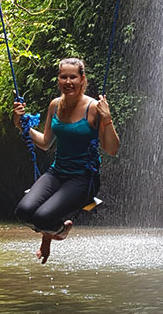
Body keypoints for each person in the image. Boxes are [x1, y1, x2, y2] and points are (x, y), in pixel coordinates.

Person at [12, 57, 120, 263]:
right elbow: (45, 142)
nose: (68, 82)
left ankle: (60, 232)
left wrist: (107, 119)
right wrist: (20, 125)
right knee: (23, 212)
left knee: (42, 217)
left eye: (73, 77)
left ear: (82, 79)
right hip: (57, 173)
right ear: (58, 80)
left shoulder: (94, 108)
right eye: (64, 77)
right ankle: (54, 230)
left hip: (83, 179)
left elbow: (112, 149)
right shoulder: (55, 105)